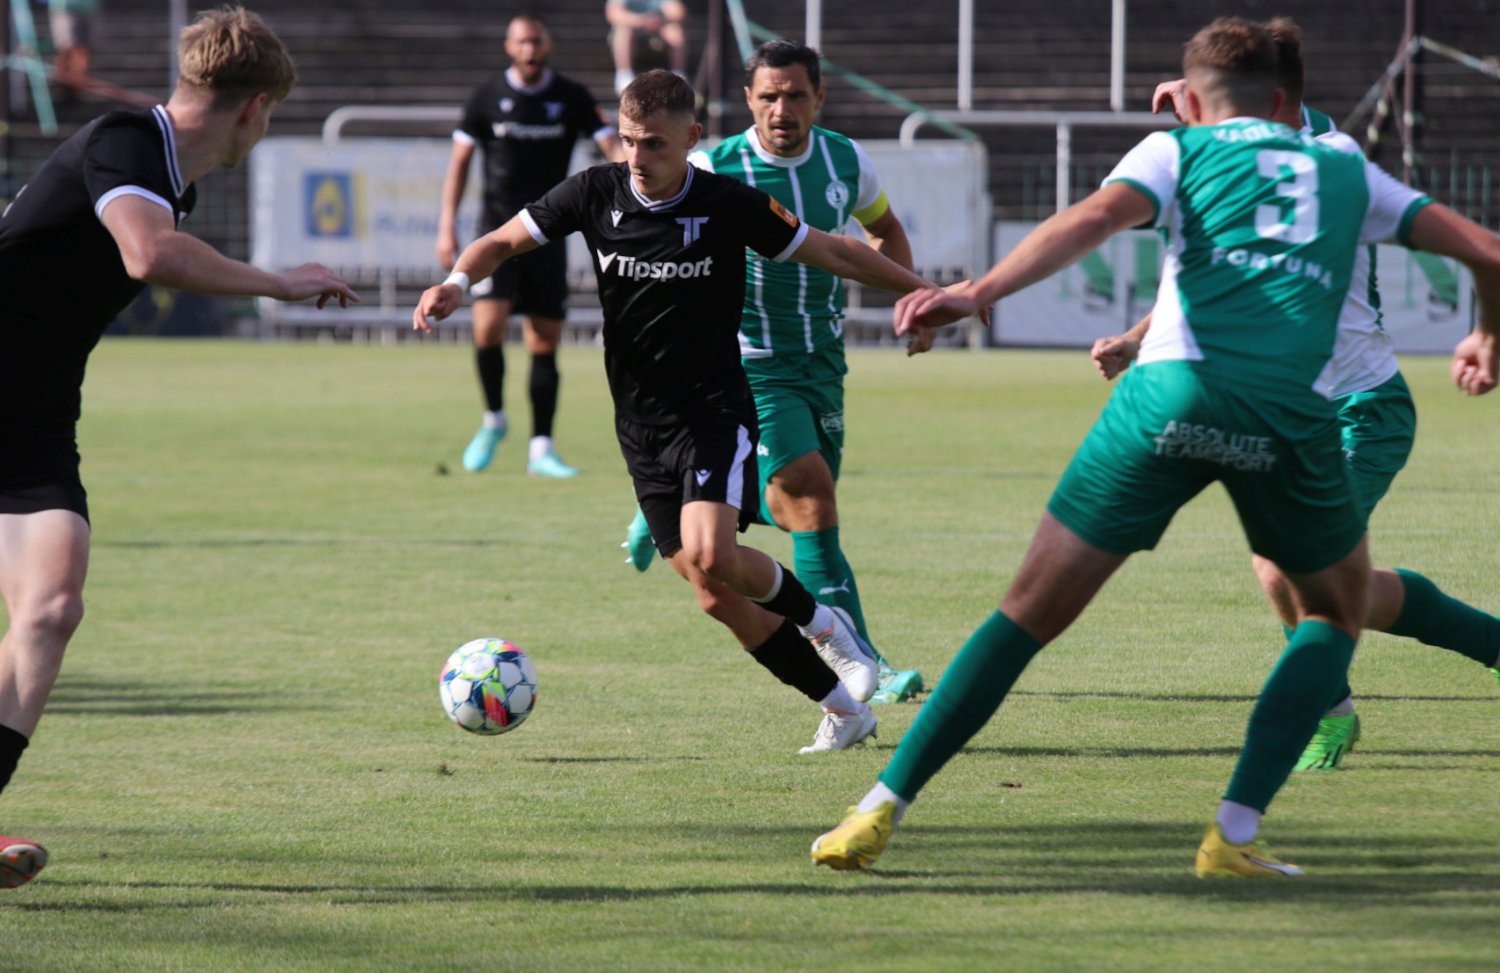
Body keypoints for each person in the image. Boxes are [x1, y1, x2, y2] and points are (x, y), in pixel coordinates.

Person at [808, 17, 1500, 878]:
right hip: (1285, 411)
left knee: (1025, 614)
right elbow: (1489, 251)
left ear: (1193, 100)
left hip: (1169, 400)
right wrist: (1486, 337)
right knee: (1330, 610)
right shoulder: (1343, 164)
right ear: (1284, 96)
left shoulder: (1175, 149)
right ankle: (1232, 834)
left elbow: (1096, 216)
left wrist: (975, 291)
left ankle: (877, 808)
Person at [416, 71, 946, 754]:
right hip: (638, 425)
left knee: (712, 551)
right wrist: (457, 281)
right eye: (628, 141)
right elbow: (502, 241)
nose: (637, 157)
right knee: (713, 592)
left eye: (654, 144)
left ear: (692, 138)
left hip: (713, 410)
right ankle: (843, 711)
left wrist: (930, 293)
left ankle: (827, 626)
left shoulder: (727, 203)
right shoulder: (594, 192)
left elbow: (834, 250)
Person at [0, 6, 357, 889]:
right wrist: (280, 283)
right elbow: (147, 254)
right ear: (255, 108)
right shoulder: (126, 141)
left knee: (51, 607)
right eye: (271, 116)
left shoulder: (164, 176)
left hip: (32, 420)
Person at [1095, 17, 1500, 773]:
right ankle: (1441, 663)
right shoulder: (1250, 152)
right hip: (1279, 407)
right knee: (1321, 580)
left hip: (1359, 407)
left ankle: (1332, 711)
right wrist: (1138, 337)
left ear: (1270, 97)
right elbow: (1225, 266)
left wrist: (1198, 113)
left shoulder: (1324, 154)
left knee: (1287, 569)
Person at [618, 39, 925, 716]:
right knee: (810, 495)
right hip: (746, 363)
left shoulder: (847, 161)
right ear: (749, 100)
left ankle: (673, 495)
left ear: (820, 98)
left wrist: (915, 303)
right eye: (768, 96)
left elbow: (883, 230)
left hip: (822, 361)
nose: (781, 109)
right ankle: (860, 660)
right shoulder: (714, 167)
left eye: (794, 96)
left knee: (795, 509)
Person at [436, 12, 624, 479]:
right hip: (497, 233)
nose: (529, 49)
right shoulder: (486, 97)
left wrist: (638, 174)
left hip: (547, 233)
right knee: (487, 328)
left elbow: (612, 147)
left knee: (544, 339)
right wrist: (446, 225)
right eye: (521, 41)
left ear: (548, 44)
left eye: (536, 41)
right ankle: (494, 420)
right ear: (509, 46)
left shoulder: (572, 96)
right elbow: (460, 162)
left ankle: (542, 447)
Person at [605, 0, 688, 96]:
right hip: (632, 31)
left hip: (658, 31)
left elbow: (678, 13)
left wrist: (660, 19)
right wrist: (643, 21)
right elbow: (613, 14)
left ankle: (678, 75)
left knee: (674, 30)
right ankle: (624, 74)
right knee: (622, 31)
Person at [48, 0, 101, 88]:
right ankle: (64, 78)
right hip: (64, 9)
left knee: (81, 49)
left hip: (87, 9)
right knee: (65, 47)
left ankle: (77, 79)